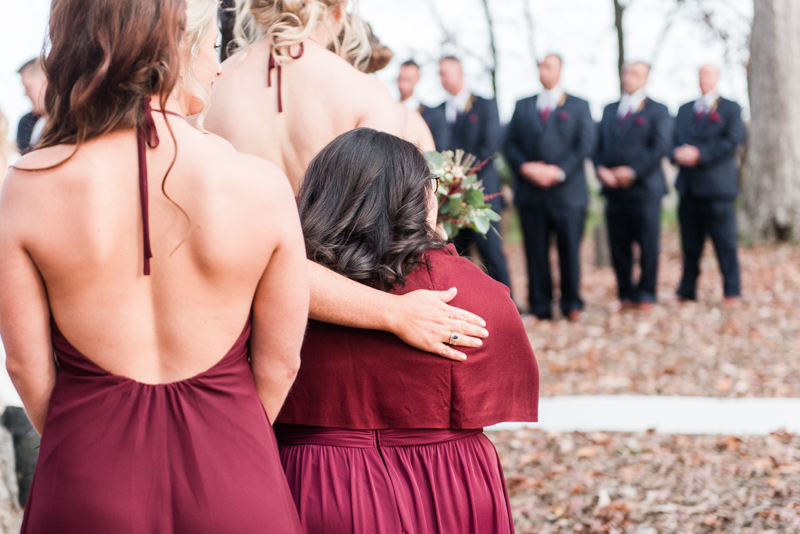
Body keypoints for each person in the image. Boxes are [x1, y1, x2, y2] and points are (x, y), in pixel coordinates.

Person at [0, 0, 307, 531]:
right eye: (212, 49)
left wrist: (84, 444)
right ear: (176, 51)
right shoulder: (261, 185)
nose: (216, 68)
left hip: (87, 474)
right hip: (235, 473)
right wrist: (228, 439)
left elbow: (26, 368)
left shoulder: (28, 187)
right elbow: (280, 366)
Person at [275, 128, 539, 534]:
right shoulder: (478, 296)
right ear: (417, 197)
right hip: (449, 484)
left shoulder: (277, 282)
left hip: (314, 481)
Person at [207, 0, 486, 364]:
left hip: (227, 304)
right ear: (338, 11)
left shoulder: (211, 84)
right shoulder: (363, 91)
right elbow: (388, 232)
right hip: (336, 320)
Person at [505, 54, 596, 321]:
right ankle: (540, 306)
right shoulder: (522, 105)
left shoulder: (579, 105)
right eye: (541, 66)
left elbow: (585, 144)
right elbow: (509, 143)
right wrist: (525, 167)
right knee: (535, 253)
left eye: (549, 66)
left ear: (559, 70)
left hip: (568, 194)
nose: (543, 71)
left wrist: (558, 171)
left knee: (569, 251)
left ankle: (572, 304)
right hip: (531, 194)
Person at [422, 56, 511, 288]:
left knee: (491, 250)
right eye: (440, 73)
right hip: (449, 198)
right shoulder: (436, 111)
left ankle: (507, 302)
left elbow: (490, 146)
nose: (442, 78)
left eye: (446, 73)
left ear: (460, 73)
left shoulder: (486, 105)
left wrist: (461, 176)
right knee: (455, 253)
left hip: (481, 192)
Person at [595, 62, 673, 311]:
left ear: (646, 77)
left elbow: (659, 146)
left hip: (645, 190)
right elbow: (597, 146)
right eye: (626, 72)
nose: (629, 77)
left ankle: (647, 294)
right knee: (619, 245)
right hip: (614, 190)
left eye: (636, 74)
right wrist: (601, 170)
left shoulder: (658, 110)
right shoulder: (608, 110)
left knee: (648, 244)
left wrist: (633, 171)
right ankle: (625, 293)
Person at [673, 64, 746, 306]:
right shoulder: (684, 110)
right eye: (700, 75)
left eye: (708, 75)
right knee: (690, 245)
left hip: (718, 190)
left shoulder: (731, 108)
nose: (704, 79)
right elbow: (672, 139)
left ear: (717, 78)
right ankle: (687, 289)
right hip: (688, 188)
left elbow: (733, 140)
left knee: (725, 243)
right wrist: (678, 154)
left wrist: (700, 154)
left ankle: (732, 291)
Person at [16, 59, 47, 154]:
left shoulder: (69, 122)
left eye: (27, 87)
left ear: (45, 82)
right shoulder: (25, 122)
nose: (25, 94)